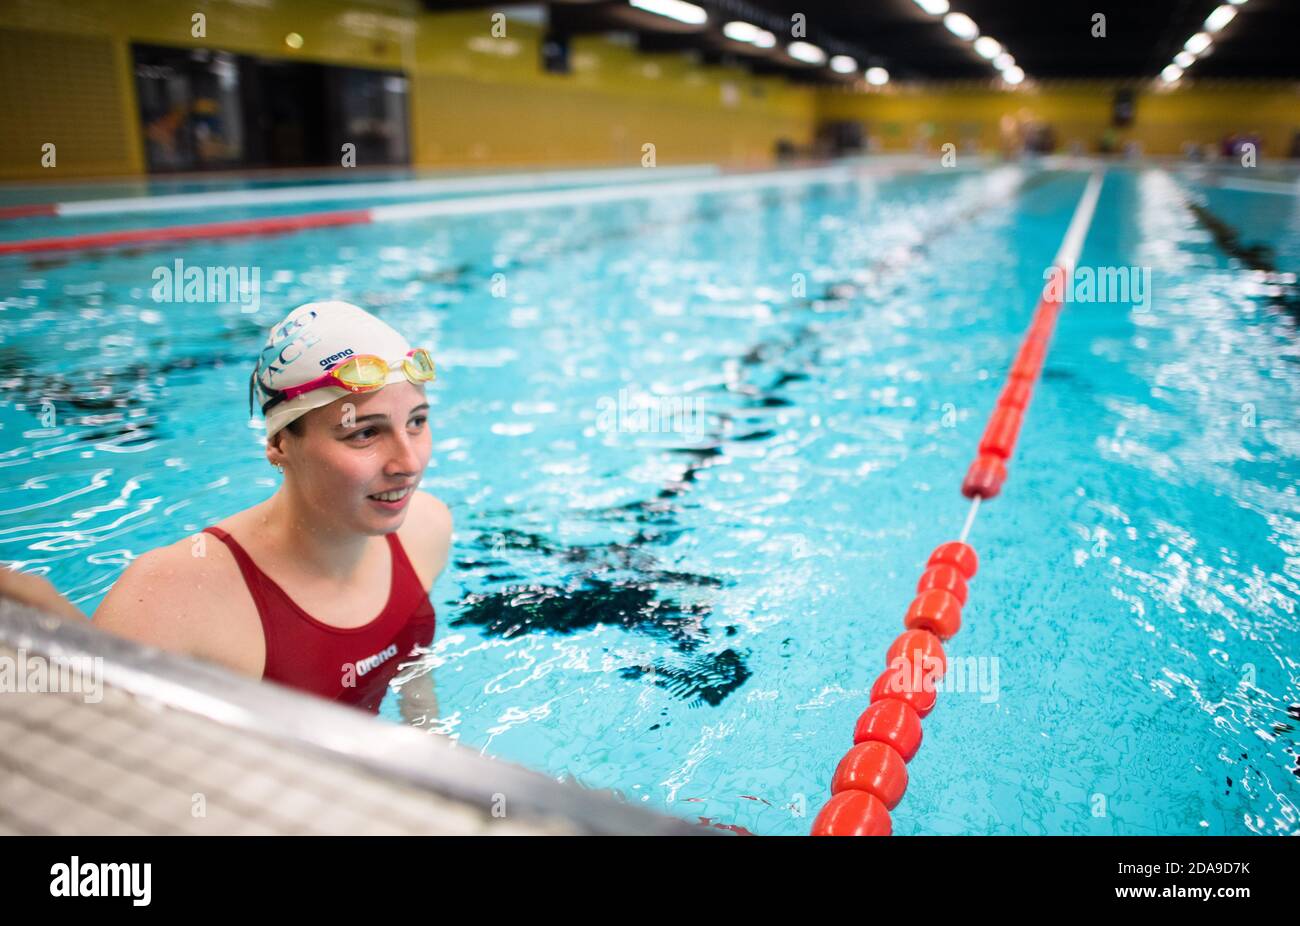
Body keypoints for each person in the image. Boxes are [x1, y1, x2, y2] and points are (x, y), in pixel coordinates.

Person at [0, 301, 451, 721]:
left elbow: (414, 675)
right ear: (278, 444)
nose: (409, 463)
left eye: (417, 422)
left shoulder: (426, 529)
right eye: (364, 434)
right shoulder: (175, 595)